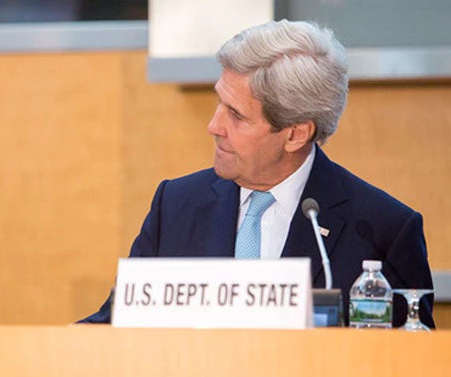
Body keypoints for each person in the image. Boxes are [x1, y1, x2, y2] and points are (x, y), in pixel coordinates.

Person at [80, 20, 434, 327]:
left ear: (295, 133)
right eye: (219, 102)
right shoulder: (175, 205)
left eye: (236, 115)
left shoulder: (383, 229)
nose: (213, 126)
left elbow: (410, 364)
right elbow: (118, 323)